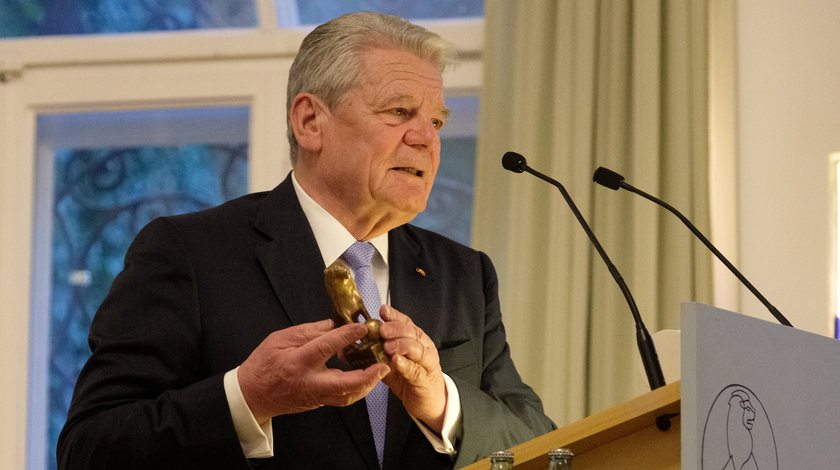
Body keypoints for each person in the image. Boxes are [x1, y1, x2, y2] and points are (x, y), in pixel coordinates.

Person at [57, 11, 555, 470]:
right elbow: (90, 447)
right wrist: (247, 398)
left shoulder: (463, 273)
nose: (427, 137)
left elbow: (546, 443)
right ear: (310, 121)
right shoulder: (188, 253)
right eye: (400, 111)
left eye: (437, 121)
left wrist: (443, 403)